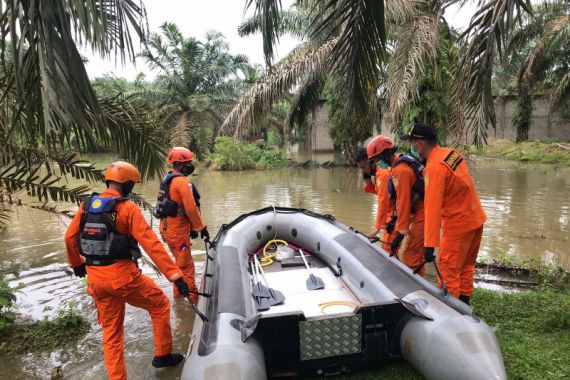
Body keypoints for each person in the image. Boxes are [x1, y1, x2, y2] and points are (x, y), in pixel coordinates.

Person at [64, 161, 190, 380]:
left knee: (111, 332)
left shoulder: (87, 206)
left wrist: (76, 264)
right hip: (122, 278)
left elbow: (69, 238)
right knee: (160, 303)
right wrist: (175, 276)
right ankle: (163, 354)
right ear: (128, 185)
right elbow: (151, 245)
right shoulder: (127, 208)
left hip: (96, 280)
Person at [401, 123, 487, 304]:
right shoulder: (451, 154)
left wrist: (429, 244)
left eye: (412, 143)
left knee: (448, 271)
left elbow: (432, 207)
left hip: (458, 225)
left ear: (420, 144)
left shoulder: (434, 168)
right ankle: (465, 304)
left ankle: (454, 312)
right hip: (475, 219)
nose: (411, 147)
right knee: (465, 266)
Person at [366, 135, 426, 276]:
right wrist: (395, 221)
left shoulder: (400, 171)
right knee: (416, 254)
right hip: (420, 210)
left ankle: (414, 289)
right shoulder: (400, 164)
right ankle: (421, 280)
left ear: (386, 154)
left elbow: (403, 202)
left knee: (411, 255)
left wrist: (401, 231)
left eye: (377, 159)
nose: (376, 163)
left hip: (424, 211)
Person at [156, 147, 208, 304]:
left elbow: (179, 208)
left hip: (166, 230)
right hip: (177, 233)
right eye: (188, 163)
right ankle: (193, 302)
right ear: (179, 164)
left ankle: (178, 300)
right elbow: (191, 208)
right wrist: (201, 228)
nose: (190, 165)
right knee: (187, 268)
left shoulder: (168, 179)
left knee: (179, 265)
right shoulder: (182, 182)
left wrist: (192, 229)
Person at [355, 149, 397, 252]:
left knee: (389, 248)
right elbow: (385, 193)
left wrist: (377, 228)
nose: (363, 171)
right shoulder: (378, 172)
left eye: (364, 167)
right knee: (389, 247)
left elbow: (383, 201)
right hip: (393, 210)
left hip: (396, 212)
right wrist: (369, 182)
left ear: (370, 161)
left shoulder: (382, 174)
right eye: (361, 169)